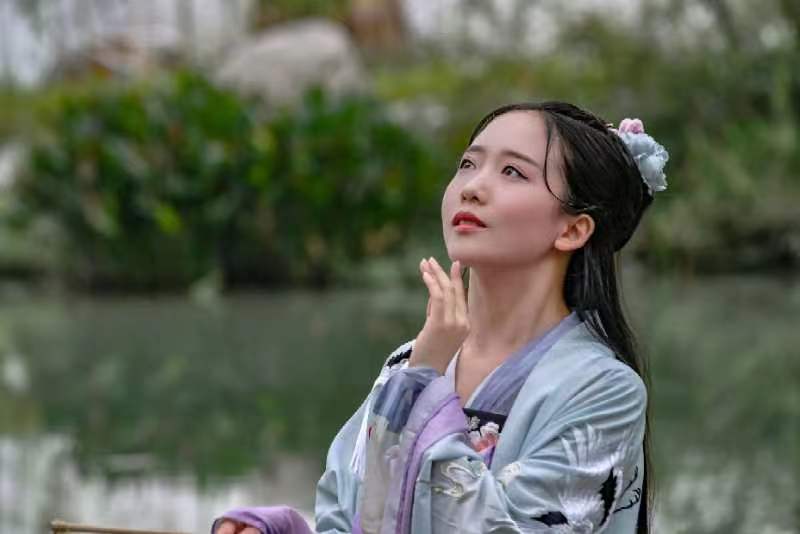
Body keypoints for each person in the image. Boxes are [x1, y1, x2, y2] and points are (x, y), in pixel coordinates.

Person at [212, 101, 669, 534]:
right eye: (468, 164)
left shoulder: (603, 390)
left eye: (512, 171)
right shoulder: (410, 361)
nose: (472, 187)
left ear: (572, 229)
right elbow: (356, 516)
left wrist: (424, 388)